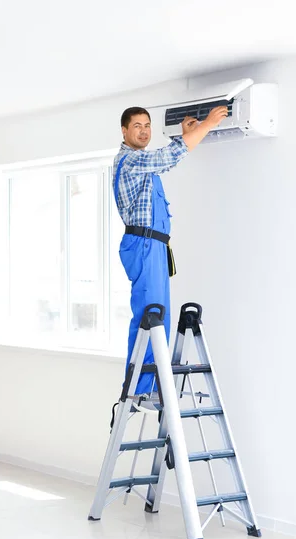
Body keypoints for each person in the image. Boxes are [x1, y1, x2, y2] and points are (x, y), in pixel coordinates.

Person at [113, 104, 228, 399]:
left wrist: (184, 138)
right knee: (148, 316)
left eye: (147, 125)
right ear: (124, 131)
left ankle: (156, 385)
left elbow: (163, 160)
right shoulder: (129, 160)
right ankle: (140, 389)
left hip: (156, 246)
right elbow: (165, 158)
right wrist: (207, 126)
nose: (144, 130)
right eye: (137, 126)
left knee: (159, 317)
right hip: (144, 245)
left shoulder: (143, 163)